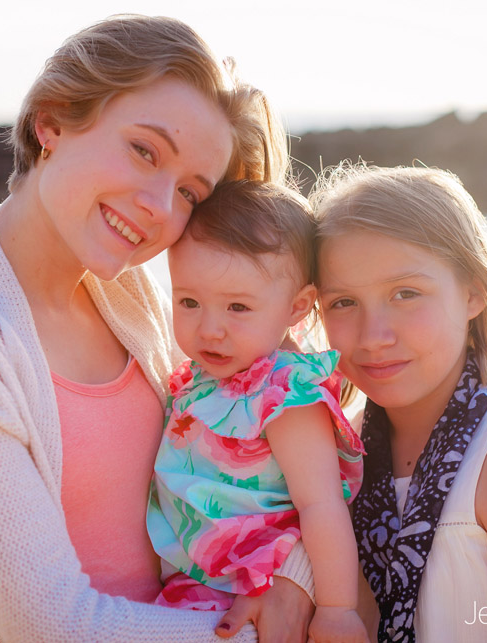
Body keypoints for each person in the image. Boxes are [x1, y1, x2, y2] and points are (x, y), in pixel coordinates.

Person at [0, 15, 316, 642]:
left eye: (189, 191)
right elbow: (55, 625)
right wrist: (259, 634)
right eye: (143, 150)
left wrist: (296, 578)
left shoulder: (136, 301)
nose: (159, 207)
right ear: (52, 121)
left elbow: (260, 471)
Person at [311, 165, 487, 643]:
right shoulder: (336, 449)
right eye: (343, 302)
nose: (373, 337)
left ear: (474, 292)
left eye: (406, 293)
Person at [145, 180, 369, 642]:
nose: (210, 329)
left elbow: (322, 503)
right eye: (189, 302)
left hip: (252, 580)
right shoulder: (205, 376)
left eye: (238, 307)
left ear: (297, 306)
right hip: (198, 578)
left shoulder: (285, 394)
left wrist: (336, 609)